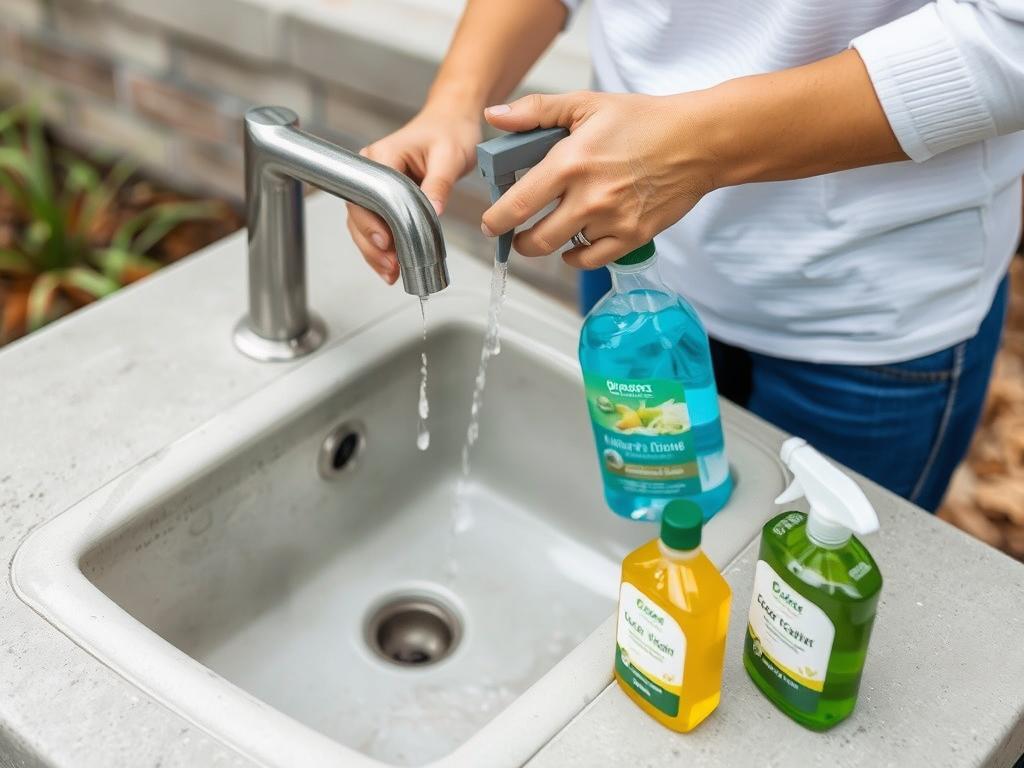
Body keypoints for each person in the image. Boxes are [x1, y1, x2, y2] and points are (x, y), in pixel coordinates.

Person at [345, 0, 1024, 512]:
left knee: (801, 610)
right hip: (633, 267)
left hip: (866, 313)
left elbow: (1008, 33)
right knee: (660, 532)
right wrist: (456, 102)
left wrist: (698, 147)